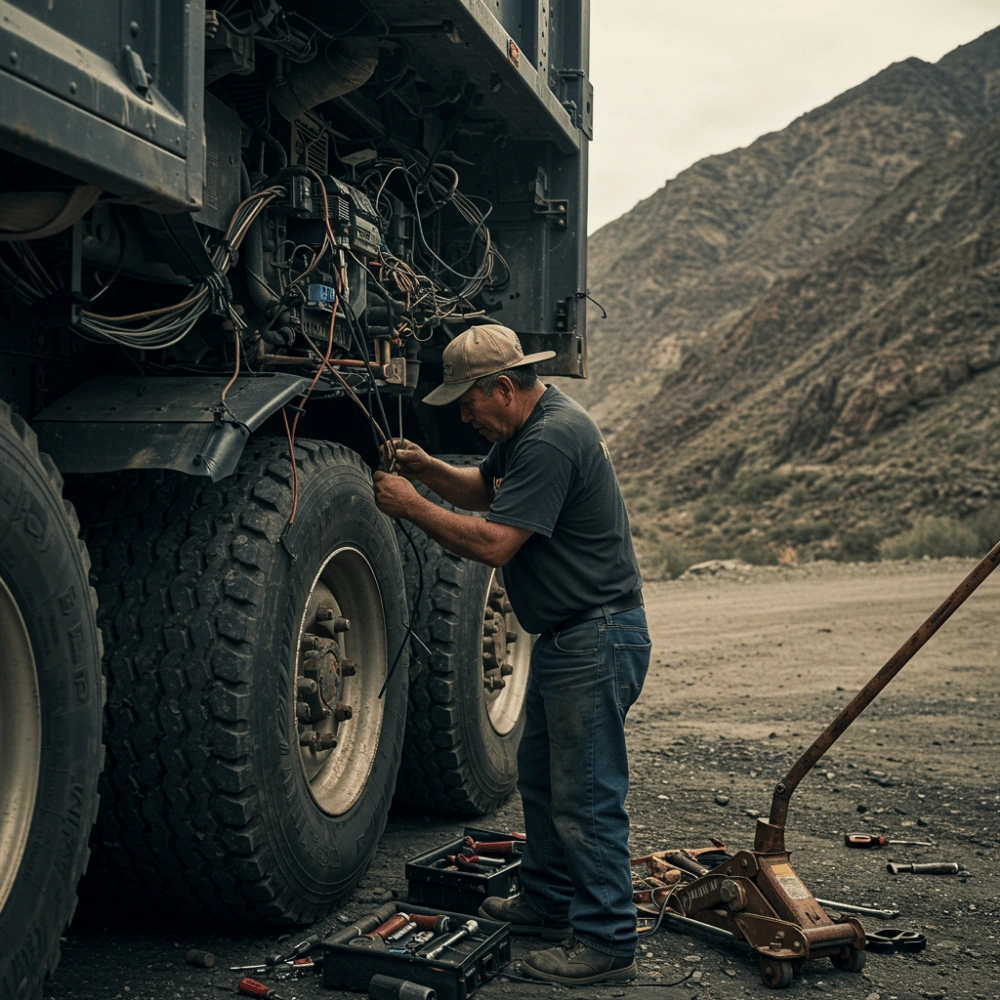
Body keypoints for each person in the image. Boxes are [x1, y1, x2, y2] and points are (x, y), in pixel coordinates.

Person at [373, 324, 649, 986]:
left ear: (503, 387)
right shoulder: (525, 431)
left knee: (585, 797)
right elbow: (480, 491)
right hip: (568, 639)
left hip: (596, 637)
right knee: (543, 782)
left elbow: (495, 542)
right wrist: (428, 469)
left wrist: (411, 506)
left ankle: (607, 941)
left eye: (469, 402)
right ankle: (550, 903)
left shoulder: (552, 437)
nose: (464, 416)